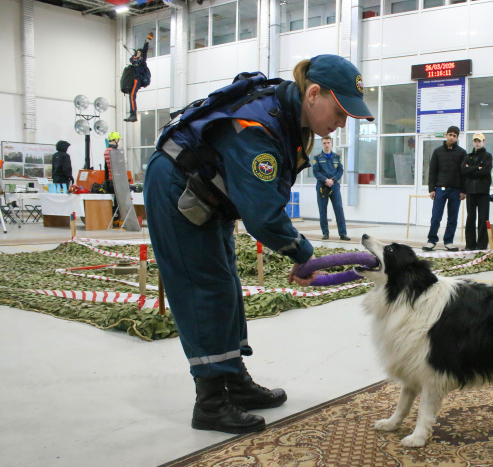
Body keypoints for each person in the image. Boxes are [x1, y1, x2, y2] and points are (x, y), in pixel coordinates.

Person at [143, 55, 374, 433]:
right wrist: (303, 254)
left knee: (226, 285)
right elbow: (263, 216)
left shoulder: (288, 116)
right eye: (339, 111)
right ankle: (210, 404)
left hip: (209, 191)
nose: (342, 122)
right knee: (204, 289)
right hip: (178, 186)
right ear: (313, 94)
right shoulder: (257, 128)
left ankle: (236, 382)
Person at [424, 126, 466, 251]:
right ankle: (431, 241)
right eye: (450, 135)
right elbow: (432, 171)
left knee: (452, 217)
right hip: (439, 189)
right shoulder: (437, 152)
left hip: (455, 190)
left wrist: (463, 190)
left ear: (457, 138)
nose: (452, 137)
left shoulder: (462, 153)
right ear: (446, 135)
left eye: (454, 136)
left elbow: (464, 173)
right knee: (436, 216)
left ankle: (448, 242)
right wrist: (431, 189)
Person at [312, 136, 349, 241]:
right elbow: (315, 171)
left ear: (331, 143)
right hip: (322, 187)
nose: (326, 145)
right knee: (322, 210)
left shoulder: (337, 157)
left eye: (328, 142)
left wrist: (333, 179)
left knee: (339, 209)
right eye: (324, 143)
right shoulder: (317, 157)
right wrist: (325, 180)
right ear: (322, 144)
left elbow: (340, 170)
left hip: (334, 186)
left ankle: (343, 233)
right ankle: (325, 233)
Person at [461, 133, 493, 250]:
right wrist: (476, 168)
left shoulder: (487, 156)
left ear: (483, 142)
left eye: (479, 141)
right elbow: (463, 170)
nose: (477, 143)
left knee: (483, 218)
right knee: (470, 218)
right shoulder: (468, 156)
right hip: (470, 191)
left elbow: (485, 171)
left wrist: (471, 169)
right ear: (473, 142)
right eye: (475, 141)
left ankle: (482, 245)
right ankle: (470, 244)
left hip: (483, 192)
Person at [123, 32, 153, 122]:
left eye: (139, 52)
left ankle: (133, 114)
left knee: (132, 95)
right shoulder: (134, 61)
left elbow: (145, 51)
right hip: (133, 80)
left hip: (137, 79)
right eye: (137, 52)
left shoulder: (142, 61)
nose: (138, 53)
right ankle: (132, 114)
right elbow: (131, 59)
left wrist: (147, 41)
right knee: (131, 96)